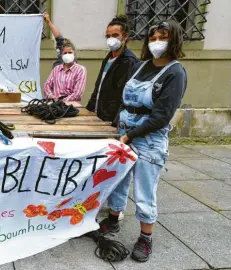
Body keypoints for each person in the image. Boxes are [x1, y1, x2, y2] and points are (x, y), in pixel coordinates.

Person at [98, 20, 187, 262]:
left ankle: (145, 238)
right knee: (117, 180)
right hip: (125, 133)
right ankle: (113, 219)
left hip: (148, 140)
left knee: (145, 189)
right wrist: (118, 128)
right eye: (153, 37)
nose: (157, 42)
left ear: (174, 40)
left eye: (163, 37)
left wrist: (130, 135)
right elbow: (125, 100)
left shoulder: (174, 72)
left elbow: (161, 117)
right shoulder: (143, 66)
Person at [86, 15, 139, 122]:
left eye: (115, 35)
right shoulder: (108, 58)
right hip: (98, 113)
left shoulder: (128, 60)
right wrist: (90, 108)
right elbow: (99, 85)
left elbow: (122, 95)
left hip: (111, 118)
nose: (111, 40)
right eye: (108, 36)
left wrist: (113, 121)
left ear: (125, 36)